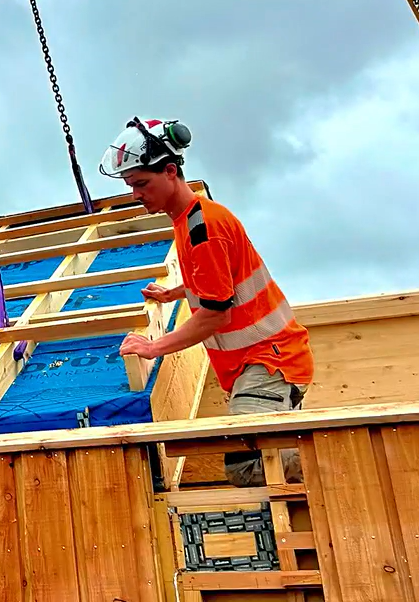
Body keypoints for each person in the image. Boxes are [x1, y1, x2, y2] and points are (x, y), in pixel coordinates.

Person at [103, 117, 314, 486]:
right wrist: (174, 292)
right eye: (130, 186)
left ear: (170, 171)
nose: (136, 194)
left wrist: (154, 347)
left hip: (268, 361)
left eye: (141, 184)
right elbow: (219, 280)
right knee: (266, 464)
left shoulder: (204, 230)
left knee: (247, 467)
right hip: (264, 363)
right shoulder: (192, 218)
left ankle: (344, 465)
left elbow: (214, 316)